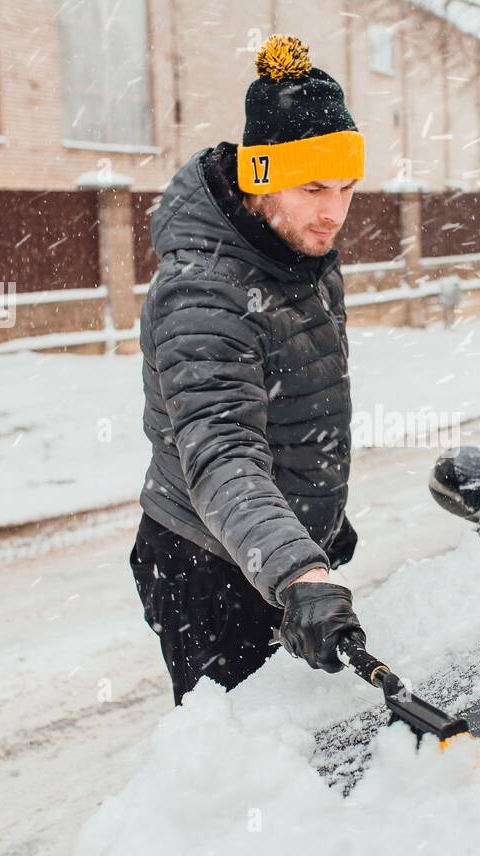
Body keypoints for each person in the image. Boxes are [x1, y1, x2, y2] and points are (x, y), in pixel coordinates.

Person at [130, 35, 366, 705]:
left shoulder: (299, 251)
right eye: (313, 186)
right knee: (246, 762)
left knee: (309, 730)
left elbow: (300, 399)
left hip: (272, 549)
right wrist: (297, 568)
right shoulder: (204, 292)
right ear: (260, 182)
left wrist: (316, 519)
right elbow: (221, 450)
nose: (334, 211)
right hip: (208, 567)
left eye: (347, 188)